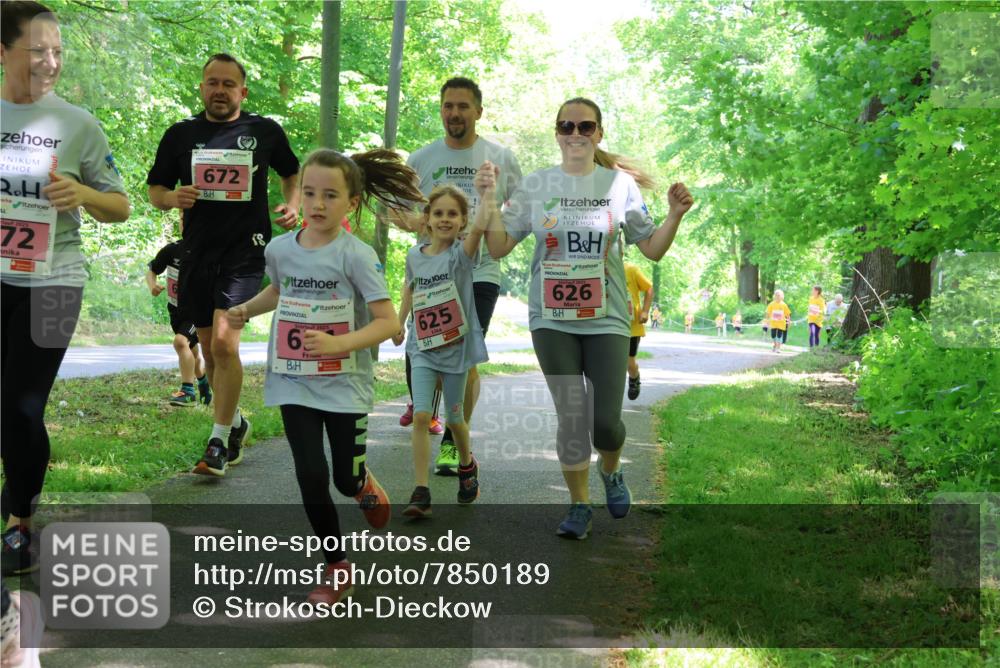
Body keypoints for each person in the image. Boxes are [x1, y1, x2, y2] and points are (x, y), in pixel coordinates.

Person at [478, 97, 693, 539]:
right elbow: (499, 248)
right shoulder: (537, 185)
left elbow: (650, 248)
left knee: (605, 424)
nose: (575, 133)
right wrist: (487, 202)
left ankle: (612, 472)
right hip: (551, 317)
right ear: (557, 132)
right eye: (566, 125)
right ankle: (578, 505)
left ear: (598, 133)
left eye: (585, 126)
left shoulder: (619, 186)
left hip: (608, 317)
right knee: (573, 415)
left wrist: (674, 215)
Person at [224, 148, 420, 604]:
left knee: (343, 481)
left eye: (330, 195)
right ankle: (336, 566)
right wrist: (245, 310)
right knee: (310, 475)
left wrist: (338, 344)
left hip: (345, 384)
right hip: (293, 379)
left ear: (351, 203)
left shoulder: (357, 256)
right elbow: (278, 289)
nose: (317, 203)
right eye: (310, 193)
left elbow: (389, 323)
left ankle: (361, 483)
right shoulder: (280, 249)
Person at [1, 1, 130, 576]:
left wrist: (84, 196)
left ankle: (19, 524)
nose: (50, 61)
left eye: (57, 50)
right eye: (36, 50)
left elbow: (121, 205)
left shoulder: (77, 124)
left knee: (23, 406)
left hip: (56, 282)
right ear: (2, 52)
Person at [147, 53, 300, 477]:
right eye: (212, 82)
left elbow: (292, 173)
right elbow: (155, 188)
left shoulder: (263, 131)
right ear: (201, 88)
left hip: (246, 253)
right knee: (210, 354)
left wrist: (293, 204)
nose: (219, 90)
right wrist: (170, 198)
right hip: (196, 254)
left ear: (242, 91)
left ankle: (217, 442)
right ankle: (235, 422)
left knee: (223, 345)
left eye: (228, 84)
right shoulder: (180, 135)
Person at [397, 77, 522, 474]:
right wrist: (430, 224)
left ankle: (453, 442)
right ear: (441, 110)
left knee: (465, 360)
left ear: (479, 111)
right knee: (431, 358)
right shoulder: (421, 159)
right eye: (448, 105)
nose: (455, 113)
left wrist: (493, 226)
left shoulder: (500, 156)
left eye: (463, 106)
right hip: (433, 275)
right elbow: (401, 213)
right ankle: (435, 410)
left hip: (480, 272)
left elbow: (521, 209)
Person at [392, 183, 490, 516]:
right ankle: (421, 490)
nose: (445, 219)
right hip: (421, 346)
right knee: (421, 415)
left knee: (455, 419)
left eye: (453, 214)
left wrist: (488, 194)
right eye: (438, 213)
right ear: (428, 219)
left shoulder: (461, 256)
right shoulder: (414, 256)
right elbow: (410, 288)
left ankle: (467, 464)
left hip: (455, 350)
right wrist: (399, 321)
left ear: (463, 221)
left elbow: (480, 230)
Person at [146, 232, 211, 406]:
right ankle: (203, 383)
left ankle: (187, 391)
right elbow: (152, 270)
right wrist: (152, 285)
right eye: (182, 216)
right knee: (192, 352)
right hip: (176, 311)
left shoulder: (208, 249)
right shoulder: (172, 249)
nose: (185, 220)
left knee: (180, 342)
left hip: (198, 311)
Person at [624, 262, 653, 400]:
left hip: (632, 326)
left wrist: (645, 311)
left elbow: (649, 288)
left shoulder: (631, 269)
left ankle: (634, 377)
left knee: (628, 363)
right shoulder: (597, 267)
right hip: (607, 324)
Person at [807, 285, 825, 350]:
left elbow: (822, 310)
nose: (812, 291)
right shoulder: (811, 298)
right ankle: (811, 348)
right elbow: (809, 307)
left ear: (817, 291)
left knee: (816, 335)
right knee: (812, 332)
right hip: (811, 319)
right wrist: (809, 309)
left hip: (818, 320)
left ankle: (816, 347)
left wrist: (816, 310)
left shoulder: (821, 300)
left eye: (813, 290)